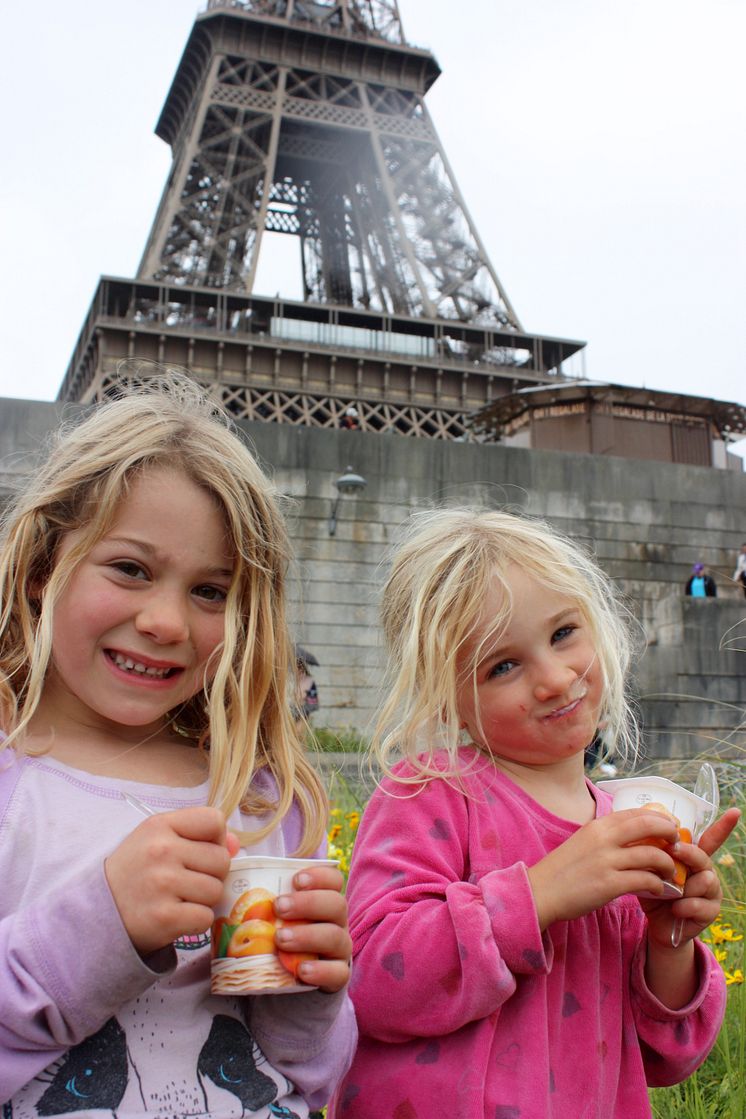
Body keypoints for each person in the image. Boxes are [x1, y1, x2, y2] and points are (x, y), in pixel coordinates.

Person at [0, 374, 355, 1117]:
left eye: (211, 591)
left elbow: (311, 1075)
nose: (166, 621)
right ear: (40, 571)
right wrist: (103, 925)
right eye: (130, 568)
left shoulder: (262, 805)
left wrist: (312, 993)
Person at [329, 508, 739, 1119]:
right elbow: (371, 985)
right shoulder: (432, 792)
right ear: (450, 700)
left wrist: (669, 941)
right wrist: (542, 894)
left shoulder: (624, 820)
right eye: (503, 666)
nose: (553, 679)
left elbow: (667, 1058)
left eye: (564, 633)